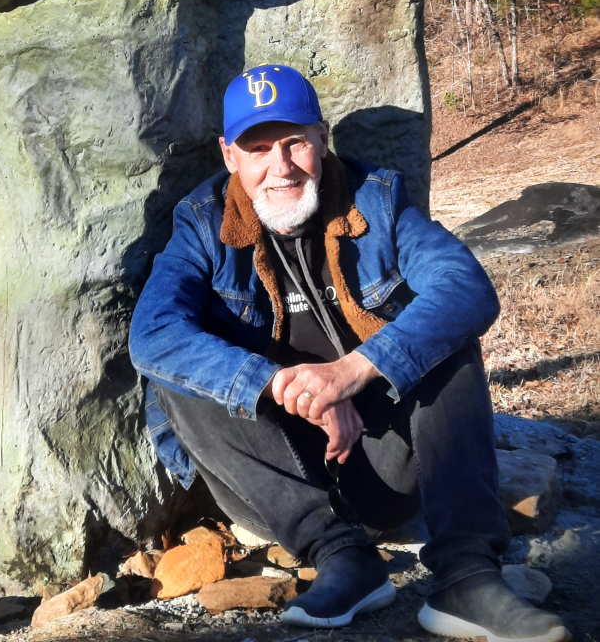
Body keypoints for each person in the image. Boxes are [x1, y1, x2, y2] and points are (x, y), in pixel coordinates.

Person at [129, 64, 570, 642]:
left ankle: (466, 578)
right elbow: (153, 333)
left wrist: (350, 374)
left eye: (294, 143)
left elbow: (465, 287)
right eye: (257, 148)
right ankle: (344, 557)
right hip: (272, 481)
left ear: (322, 136)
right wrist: (290, 389)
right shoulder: (202, 221)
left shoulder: (377, 200)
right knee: (177, 374)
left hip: (384, 467)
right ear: (229, 155)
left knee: (446, 336)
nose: (280, 167)